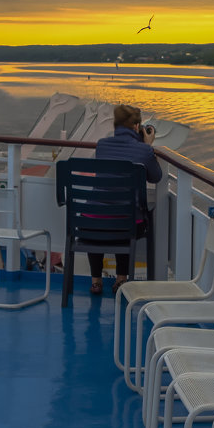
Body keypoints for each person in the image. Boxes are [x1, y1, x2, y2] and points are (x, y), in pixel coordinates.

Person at [88, 104, 162, 294]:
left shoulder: (102, 146)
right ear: (137, 127)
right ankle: (121, 279)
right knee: (127, 217)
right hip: (126, 225)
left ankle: (96, 281)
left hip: (90, 223)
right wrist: (147, 146)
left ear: (116, 125)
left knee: (101, 216)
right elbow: (156, 176)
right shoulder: (143, 150)